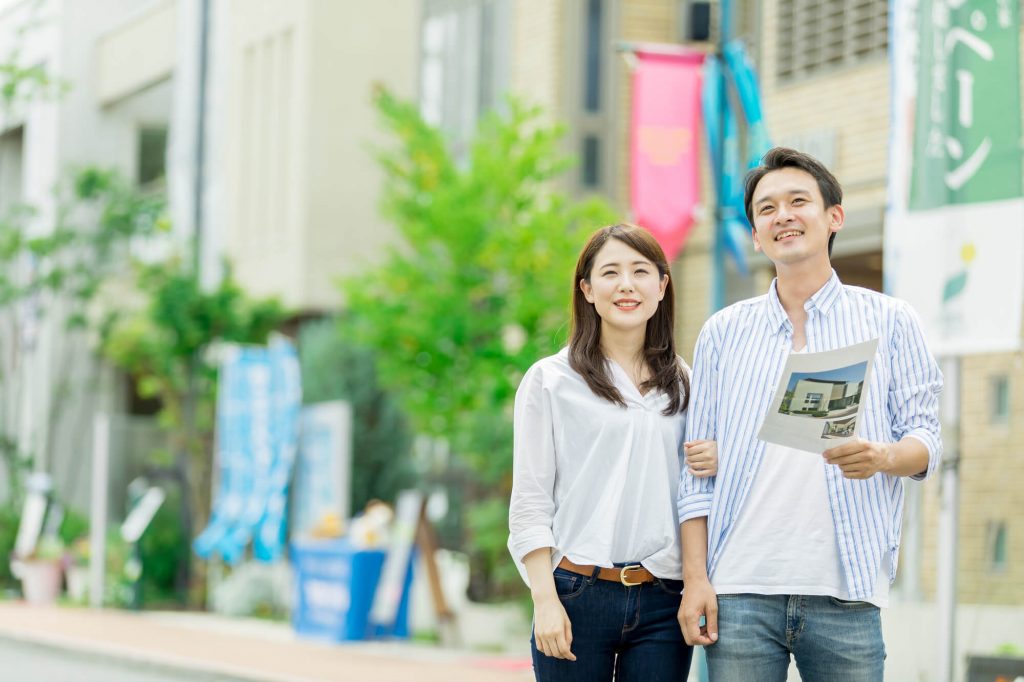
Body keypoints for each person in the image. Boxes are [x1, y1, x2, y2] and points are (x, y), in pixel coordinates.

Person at [676, 147, 943, 681]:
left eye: (798, 201)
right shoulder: (724, 333)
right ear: (755, 234)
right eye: (767, 209)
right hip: (740, 588)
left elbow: (927, 440)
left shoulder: (890, 320)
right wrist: (696, 580)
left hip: (847, 589)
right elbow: (693, 474)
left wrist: (884, 456)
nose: (783, 216)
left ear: (833, 217)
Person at [508, 223, 717, 681]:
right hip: (576, 593)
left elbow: (695, 489)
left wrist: (718, 461)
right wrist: (545, 600)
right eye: (610, 273)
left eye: (641, 271)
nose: (627, 284)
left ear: (662, 287)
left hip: (663, 596)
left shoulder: (686, 381)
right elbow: (529, 501)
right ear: (587, 289)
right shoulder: (550, 380)